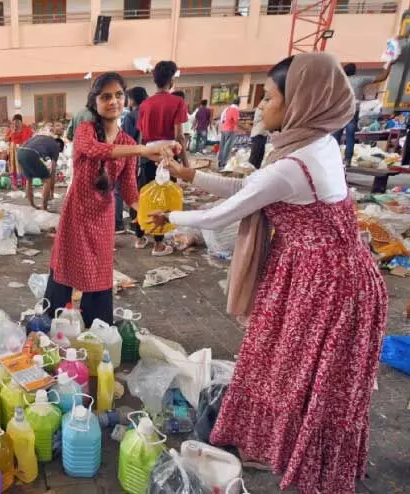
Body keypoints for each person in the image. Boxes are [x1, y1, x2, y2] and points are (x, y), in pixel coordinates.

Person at [148, 53, 386, 494]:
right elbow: (251, 187)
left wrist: (172, 218)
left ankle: (300, 461)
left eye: (271, 97)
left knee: (297, 373)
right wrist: (192, 176)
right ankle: (298, 454)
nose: (262, 105)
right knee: (308, 375)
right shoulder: (317, 144)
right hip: (337, 274)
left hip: (321, 285)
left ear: (299, 102)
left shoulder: (295, 164)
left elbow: (225, 213)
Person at [43, 72, 177, 326]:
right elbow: (95, 150)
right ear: (95, 102)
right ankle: (50, 324)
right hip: (77, 215)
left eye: (118, 95)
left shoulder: (128, 142)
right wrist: (144, 149)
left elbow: (128, 190)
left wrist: (146, 211)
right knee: (64, 270)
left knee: (99, 274)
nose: (114, 101)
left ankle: (98, 328)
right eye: (106, 96)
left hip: (103, 219)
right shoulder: (85, 131)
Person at [134, 60, 188, 256]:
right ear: (171, 80)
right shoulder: (177, 102)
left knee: (145, 195)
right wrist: (185, 163)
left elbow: (141, 136)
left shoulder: (145, 104)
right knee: (163, 200)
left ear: (154, 79)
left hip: (147, 155)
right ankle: (158, 244)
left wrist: (139, 158)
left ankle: (139, 237)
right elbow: (179, 135)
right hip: (168, 157)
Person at [334, 62, 393, 165]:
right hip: (352, 112)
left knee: (335, 138)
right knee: (350, 137)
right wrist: (390, 65)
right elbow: (382, 77)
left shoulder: (338, 81)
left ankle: (333, 160)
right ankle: (347, 160)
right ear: (355, 72)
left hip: (339, 112)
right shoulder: (360, 79)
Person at [116, 86, 148, 233]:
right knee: (144, 190)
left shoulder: (131, 116)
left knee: (127, 190)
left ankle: (132, 225)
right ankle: (147, 222)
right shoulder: (148, 112)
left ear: (133, 99)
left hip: (134, 158)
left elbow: (125, 140)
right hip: (150, 156)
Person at [16, 134, 64, 210]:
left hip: (19, 152)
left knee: (29, 179)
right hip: (31, 154)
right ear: (60, 146)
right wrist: (52, 192)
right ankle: (44, 207)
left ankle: (33, 205)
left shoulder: (43, 138)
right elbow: (53, 171)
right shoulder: (56, 146)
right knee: (47, 179)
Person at [4, 114, 34, 189]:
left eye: (17, 122)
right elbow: (5, 139)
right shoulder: (11, 129)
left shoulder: (26, 128)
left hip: (23, 148)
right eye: (14, 122)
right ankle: (15, 183)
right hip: (13, 150)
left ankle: (24, 183)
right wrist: (12, 133)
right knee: (13, 165)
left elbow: (31, 137)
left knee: (23, 165)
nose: (15, 124)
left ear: (21, 122)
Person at [217, 98, 240, 169]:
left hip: (224, 129)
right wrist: (244, 128)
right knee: (227, 147)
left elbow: (222, 119)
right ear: (239, 103)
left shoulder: (227, 109)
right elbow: (236, 121)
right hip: (230, 130)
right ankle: (223, 163)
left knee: (222, 146)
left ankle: (220, 161)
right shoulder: (235, 109)